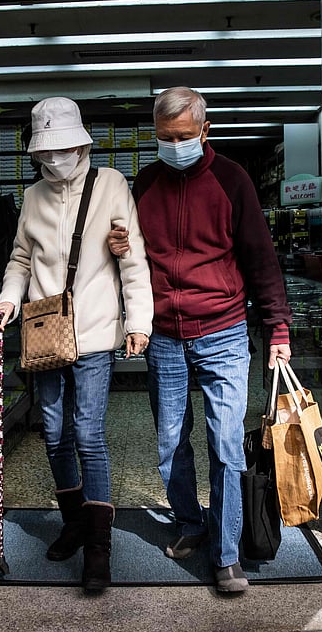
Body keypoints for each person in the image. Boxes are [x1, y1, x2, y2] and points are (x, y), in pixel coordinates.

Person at [109, 86, 292, 595]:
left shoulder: (232, 180)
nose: (175, 146)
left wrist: (278, 327)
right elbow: (131, 258)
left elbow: (261, 259)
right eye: (165, 138)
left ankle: (226, 553)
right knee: (170, 443)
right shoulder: (145, 183)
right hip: (165, 336)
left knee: (226, 445)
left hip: (224, 331)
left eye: (184, 136)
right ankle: (191, 522)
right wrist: (119, 245)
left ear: (205, 130)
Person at [0, 96, 152, 595]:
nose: (55, 158)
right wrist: (8, 297)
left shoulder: (111, 185)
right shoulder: (32, 196)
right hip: (45, 332)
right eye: (46, 151)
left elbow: (132, 259)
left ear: (81, 146)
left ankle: (99, 544)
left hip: (96, 331)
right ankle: (75, 523)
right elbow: (21, 258)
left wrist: (138, 321)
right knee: (55, 434)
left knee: (87, 433)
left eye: (62, 149)